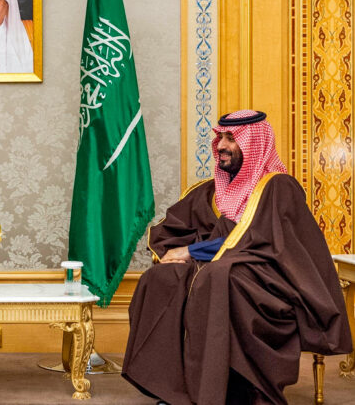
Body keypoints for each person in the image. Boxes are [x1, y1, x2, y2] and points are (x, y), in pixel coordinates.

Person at [122, 110, 352, 405]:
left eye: (231, 138)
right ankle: (175, 390)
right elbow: (181, 228)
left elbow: (262, 240)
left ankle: (235, 392)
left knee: (220, 277)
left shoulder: (278, 187)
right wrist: (180, 253)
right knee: (161, 277)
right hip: (219, 269)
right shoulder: (211, 191)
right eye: (220, 138)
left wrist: (191, 252)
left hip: (268, 279)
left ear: (254, 142)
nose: (221, 145)